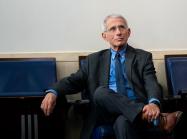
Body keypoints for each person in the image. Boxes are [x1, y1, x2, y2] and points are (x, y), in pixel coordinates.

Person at [40, 14, 183, 139]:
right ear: (104, 36)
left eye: (122, 27)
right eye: (113, 29)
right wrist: (53, 91)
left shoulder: (142, 57)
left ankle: (140, 114)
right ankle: (157, 119)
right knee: (101, 92)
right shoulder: (93, 60)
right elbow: (73, 81)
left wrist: (153, 103)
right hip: (104, 113)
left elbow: (151, 82)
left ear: (129, 32)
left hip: (130, 113)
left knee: (123, 122)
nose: (118, 32)